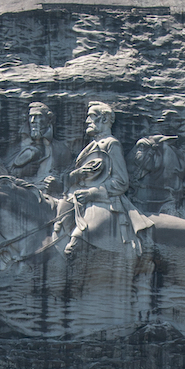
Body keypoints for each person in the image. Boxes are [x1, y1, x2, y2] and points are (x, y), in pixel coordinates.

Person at [55, 102, 153, 255]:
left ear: (105, 119)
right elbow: (76, 175)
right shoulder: (90, 146)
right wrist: (76, 175)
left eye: (91, 116)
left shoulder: (111, 144)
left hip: (103, 201)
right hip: (78, 198)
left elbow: (121, 182)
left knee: (77, 242)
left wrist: (92, 193)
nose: (87, 120)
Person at [6, 102, 69, 194]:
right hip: (22, 193)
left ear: (49, 119)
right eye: (31, 117)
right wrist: (22, 171)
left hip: (49, 195)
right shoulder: (19, 147)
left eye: (38, 116)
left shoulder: (61, 149)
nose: (33, 121)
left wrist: (58, 185)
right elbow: (4, 171)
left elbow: (69, 177)